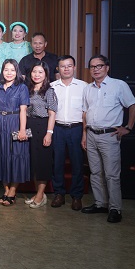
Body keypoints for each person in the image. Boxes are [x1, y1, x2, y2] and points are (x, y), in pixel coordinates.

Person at [81, 54, 135, 223]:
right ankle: (100, 204)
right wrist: (84, 134)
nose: (96, 69)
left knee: (112, 174)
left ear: (107, 67)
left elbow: (133, 105)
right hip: (91, 134)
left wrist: (128, 127)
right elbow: (85, 112)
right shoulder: (88, 88)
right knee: (95, 172)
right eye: (92, 67)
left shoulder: (118, 85)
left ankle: (115, 208)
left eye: (99, 66)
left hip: (109, 135)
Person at [0, 59, 30, 206]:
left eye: (12, 70)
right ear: (2, 71)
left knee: (17, 156)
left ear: (16, 72)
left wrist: (22, 130)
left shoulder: (22, 88)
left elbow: (23, 110)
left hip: (15, 122)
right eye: (6, 70)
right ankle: (5, 190)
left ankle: (12, 191)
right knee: (2, 156)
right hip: (0, 123)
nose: (9, 73)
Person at [50, 55, 87, 210]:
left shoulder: (84, 86)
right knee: (57, 163)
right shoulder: (52, 86)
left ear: (74, 67)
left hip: (76, 128)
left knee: (77, 163)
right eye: (63, 66)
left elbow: (85, 112)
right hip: (58, 128)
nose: (66, 69)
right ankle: (59, 194)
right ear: (58, 68)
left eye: (69, 66)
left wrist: (84, 133)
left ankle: (76, 196)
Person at [24, 61, 58, 209]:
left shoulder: (49, 91)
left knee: (42, 162)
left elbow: (52, 114)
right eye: (34, 72)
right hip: (29, 125)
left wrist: (49, 133)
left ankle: (40, 195)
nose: (36, 75)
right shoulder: (28, 89)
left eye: (40, 72)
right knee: (33, 161)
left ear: (46, 74)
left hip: (43, 126)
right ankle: (38, 193)